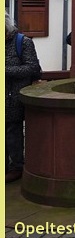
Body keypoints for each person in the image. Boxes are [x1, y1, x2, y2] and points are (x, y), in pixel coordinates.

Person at [5, 12, 41, 183]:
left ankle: (16, 167)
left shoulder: (23, 42)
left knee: (13, 133)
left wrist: (5, 70)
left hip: (14, 97)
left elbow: (33, 68)